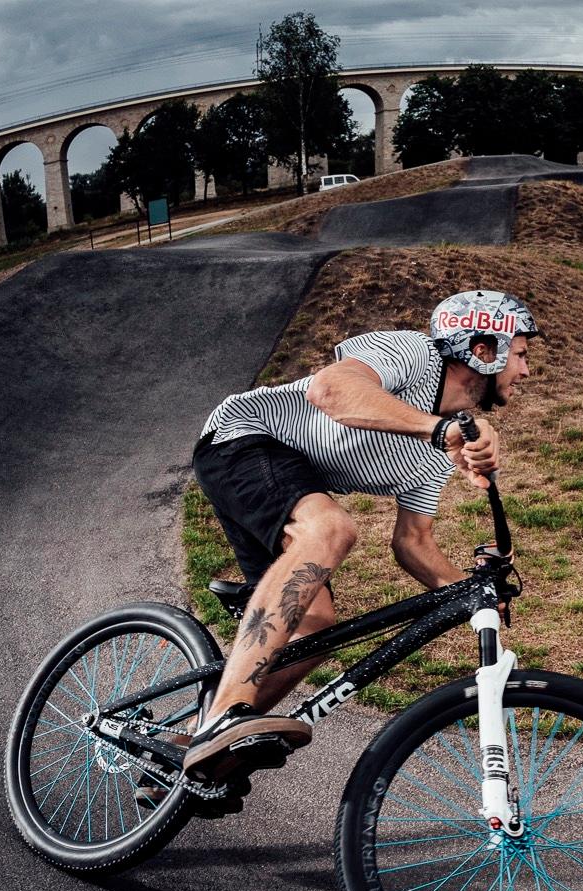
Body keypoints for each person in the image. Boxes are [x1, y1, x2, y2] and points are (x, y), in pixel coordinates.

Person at [180, 289, 538, 781]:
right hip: (241, 439)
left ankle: (194, 748)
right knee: (331, 528)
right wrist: (438, 430)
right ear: (483, 349)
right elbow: (330, 389)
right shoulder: (413, 354)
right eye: (520, 354)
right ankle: (228, 711)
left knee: (315, 627)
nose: (526, 370)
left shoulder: (440, 446)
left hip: (290, 481)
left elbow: (412, 543)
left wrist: (474, 594)